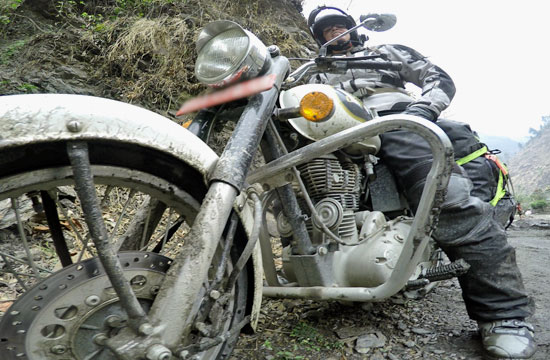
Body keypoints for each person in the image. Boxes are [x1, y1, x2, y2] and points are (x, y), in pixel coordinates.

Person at [307, 6, 536, 359]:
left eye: (339, 26)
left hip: (394, 122)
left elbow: (439, 76)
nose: (333, 33)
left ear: (355, 29)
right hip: (329, 133)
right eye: (326, 31)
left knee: (446, 198)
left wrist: (422, 111)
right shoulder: (312, 72)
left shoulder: (385, 53)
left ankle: (504, 313)